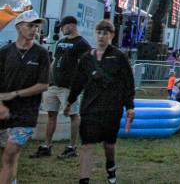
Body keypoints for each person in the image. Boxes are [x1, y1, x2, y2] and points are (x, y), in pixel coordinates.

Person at [65, 19, 135, 184]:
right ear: (95, 34)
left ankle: (110, 167)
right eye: (99, 32)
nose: (102, 36)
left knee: (109, 146)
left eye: (105, 33)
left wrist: (130, 106)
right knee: (87, 145)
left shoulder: (119, 57)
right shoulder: (86, 58)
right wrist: (69, 102)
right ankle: (84, 180)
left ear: (111, 35)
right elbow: (78, 82)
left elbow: (128, 83)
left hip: (112, 108)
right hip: (89, 108)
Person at [31, 15, 91, 160]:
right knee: (51, 114)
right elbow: (55, 61)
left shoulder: (82, 43)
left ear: (71, 25)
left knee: (73, 115)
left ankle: (72, 147)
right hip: (54, 84)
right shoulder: (61, 42)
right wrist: (47, 78)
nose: (62, 30)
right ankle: (47, 146)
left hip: (69, 87)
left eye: (63, 27)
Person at [0, 10, 50, 184]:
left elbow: (44, 84)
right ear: (19, 27)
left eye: (36, 26)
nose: (34, 29)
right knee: (10, 157)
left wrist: (15, 94)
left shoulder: (41, 53)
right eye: (30, 25)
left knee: (9, 154)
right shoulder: (5, 52)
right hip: (3, 112)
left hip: (26, 114)